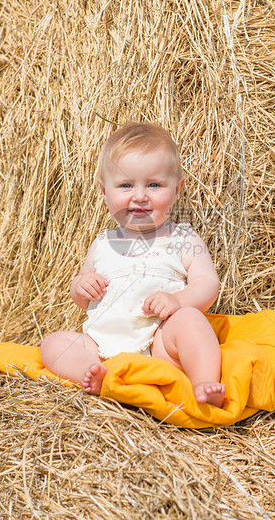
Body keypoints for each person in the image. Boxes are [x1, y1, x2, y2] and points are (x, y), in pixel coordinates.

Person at [40, 122, 226, 407]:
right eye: (126, 185)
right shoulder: (102, 243)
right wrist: (81, 286)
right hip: (102, 346)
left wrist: (178, 300)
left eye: (154, 185)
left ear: (177, 189)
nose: (140, 196)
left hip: (160, 343)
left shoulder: (182, 237)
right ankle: (96, 374)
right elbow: (81, 294)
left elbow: (207, 283)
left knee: (191, 322)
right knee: (54, 344)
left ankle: (203, 382)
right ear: (104, 192)